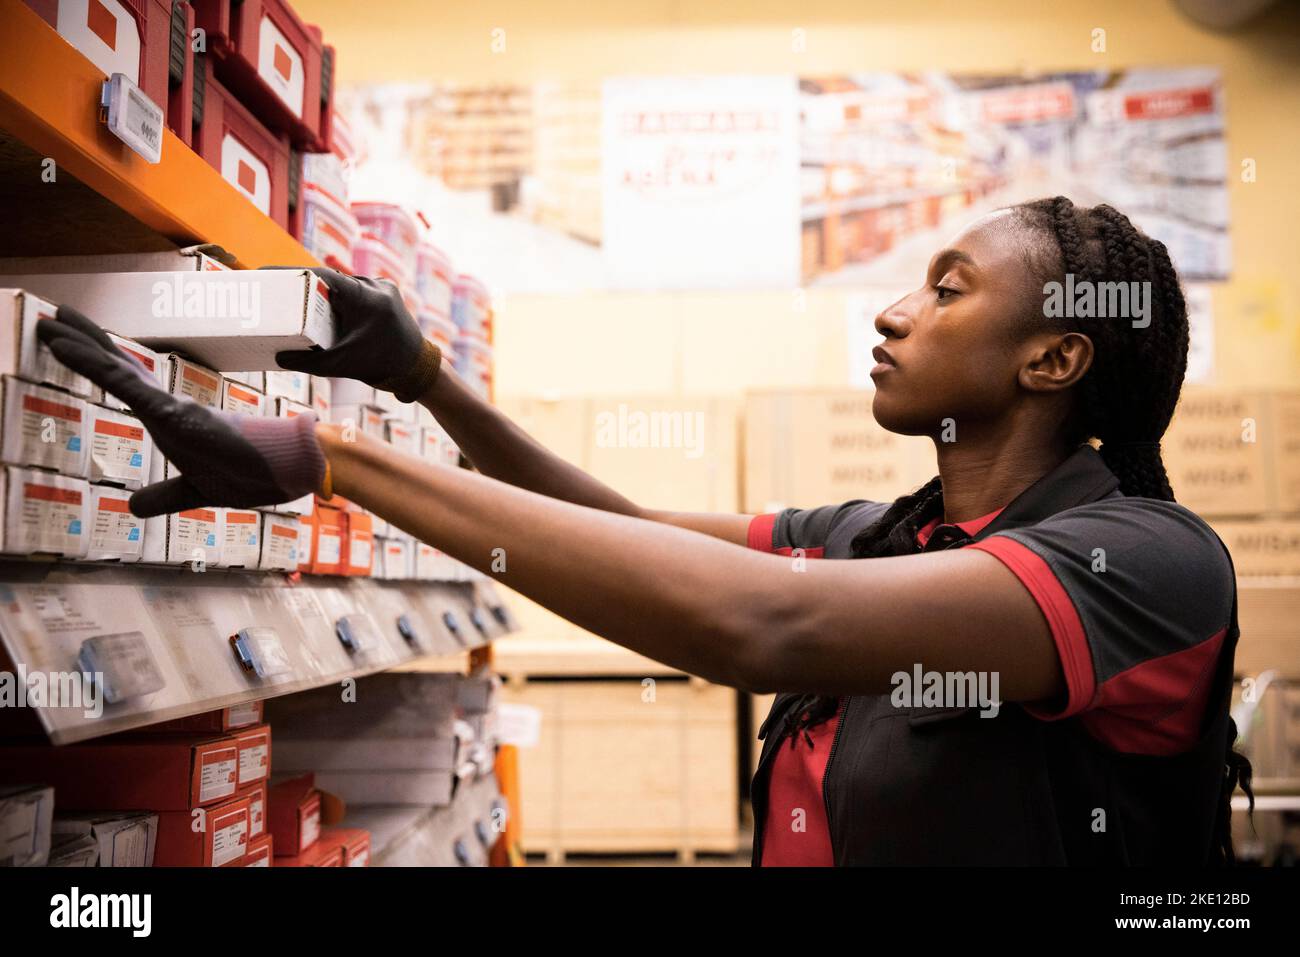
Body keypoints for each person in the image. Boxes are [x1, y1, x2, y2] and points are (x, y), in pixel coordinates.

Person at [38, 196, 1252, 866]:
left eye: (944, 288)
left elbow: (762, 625)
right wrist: (425, 379)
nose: (888, 314)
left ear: (1055, 353)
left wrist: (330, 458)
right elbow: (615, 529)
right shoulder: (888, 535)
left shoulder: (1146, 564)